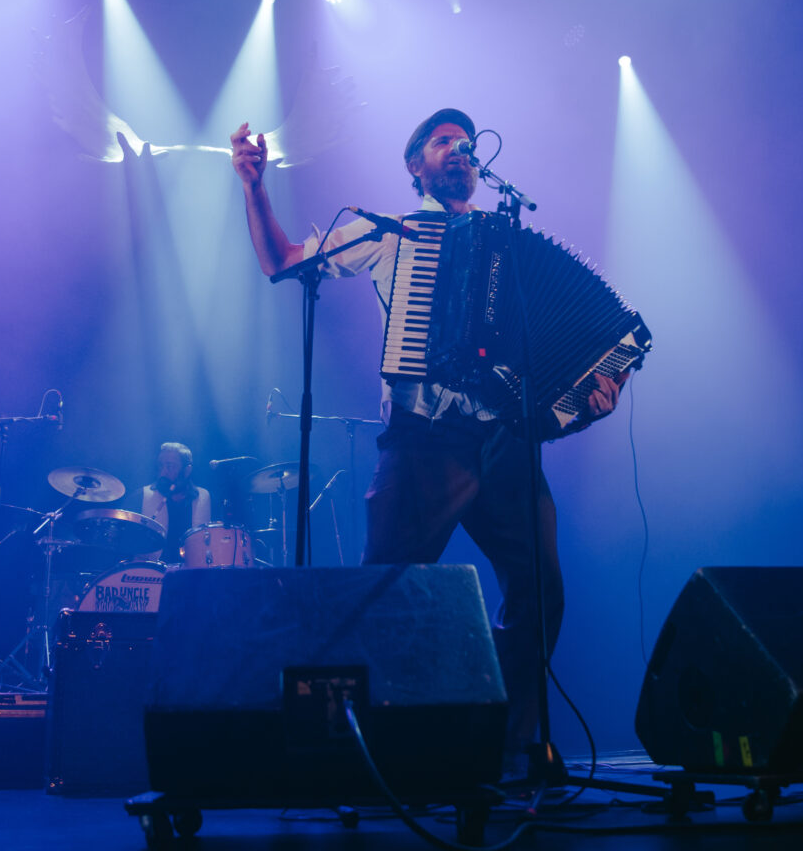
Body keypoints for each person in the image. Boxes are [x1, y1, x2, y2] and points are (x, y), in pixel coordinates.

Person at [231, 108, 625, 770]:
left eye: (468, 146)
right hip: (425, 438)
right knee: (384, 594)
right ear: (415, 164)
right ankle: (360, 751)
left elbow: (556, 359)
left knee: (541, 592)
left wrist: (588, 398)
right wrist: (254, 186)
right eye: (444, 141)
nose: (461, 151)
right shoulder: (389, 234)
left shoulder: (512, 241)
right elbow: (282, 262)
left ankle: (509, 740)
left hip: (504, 446)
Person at [141, 441, 212, 560]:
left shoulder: (204, 497)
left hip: (193, 573)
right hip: (152, 574)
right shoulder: (141, 496)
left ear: (187, 470)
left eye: (170, 466)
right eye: (160, 466)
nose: (163, 472)